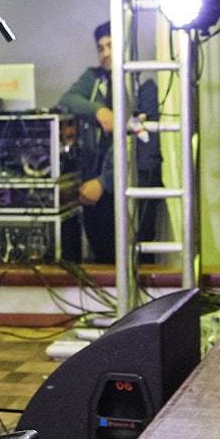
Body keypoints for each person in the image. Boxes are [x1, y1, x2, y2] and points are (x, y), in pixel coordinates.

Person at [55, 21, 160, 263]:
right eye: (100, 48)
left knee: (137, 263)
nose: (105, 53)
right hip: (95, 194)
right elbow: (68, 100)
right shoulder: (93, 80)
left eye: (111, 45)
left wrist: (104, 182)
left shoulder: (145, 90)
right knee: (103, 264)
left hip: (132, 191)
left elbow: (143, 150)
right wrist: (99, 111)